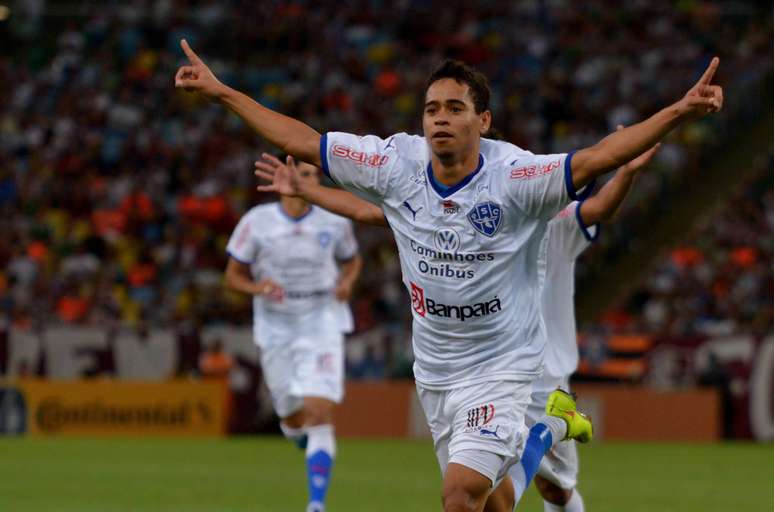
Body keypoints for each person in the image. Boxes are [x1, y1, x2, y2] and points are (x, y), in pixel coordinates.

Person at [175, 40, 723, 512]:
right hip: (437, 372)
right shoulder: (394, 166)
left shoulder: (516, 177)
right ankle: (548, 429)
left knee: (459, 494)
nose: (440, 117)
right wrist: (222, 92)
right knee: (493, 503)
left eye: (455, 107)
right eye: (432, 107)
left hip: (505, 365)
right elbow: (301, 141)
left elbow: (596, 158)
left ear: (482, 121)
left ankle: (542, 426)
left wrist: (679, 111)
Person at [253, 126, 659, 512]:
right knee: (484, 499)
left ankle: (552, 426)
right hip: (475, 367)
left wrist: (627, 170)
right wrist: (310, 190)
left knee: (553, 486)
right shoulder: (459, 212)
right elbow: (372, 213)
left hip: (540, 368)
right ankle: (550, 427)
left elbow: (601, 207)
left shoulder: (556, 217)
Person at [224, 160, 363, 512]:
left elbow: (352, 259)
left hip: (322, 319)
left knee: (318, 413)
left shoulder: (334, 220)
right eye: (305, 174)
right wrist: (258, 286)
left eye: (316, 176)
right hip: (276, 326)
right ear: (286, 179)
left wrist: (346, 283)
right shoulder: (257, 222)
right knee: (289, 413)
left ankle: (316, 503)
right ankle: (301, 436)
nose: (311, 181)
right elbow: (232, 275)